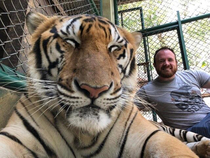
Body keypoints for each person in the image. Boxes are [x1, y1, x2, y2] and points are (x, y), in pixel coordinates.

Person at [135, 46, 210, 138]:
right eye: (161, 61)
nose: (166, 63)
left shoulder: (192, 75)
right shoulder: (147, 90)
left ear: (176, 62)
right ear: (155, 65)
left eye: (170, 60)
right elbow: (127, 111)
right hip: (190, 133)